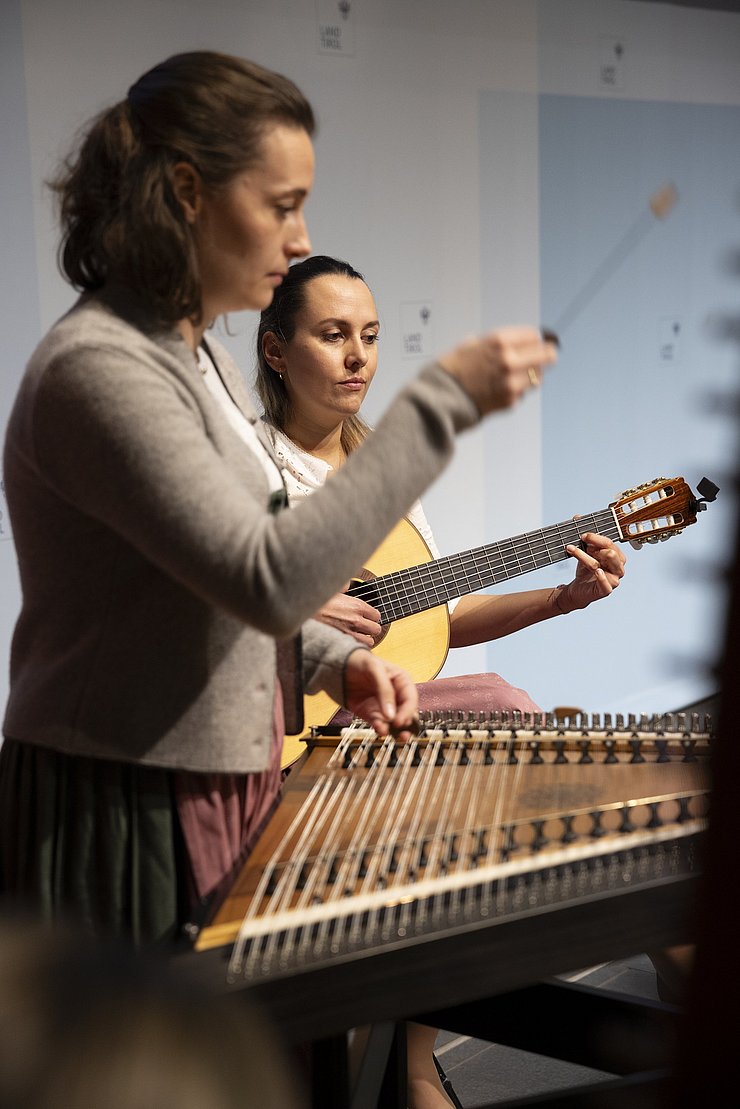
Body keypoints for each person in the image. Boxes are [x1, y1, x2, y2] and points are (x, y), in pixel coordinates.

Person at [0, 51, 557, 956]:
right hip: (125, 797)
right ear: (188, 192)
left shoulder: (195, 357)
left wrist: (332, 660)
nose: (300, 239)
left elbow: (206, 584)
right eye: (282, 203)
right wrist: (440, 404)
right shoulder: (99, 368)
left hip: (209, 771)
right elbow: (268, 577)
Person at [255, 254, 627, 1109]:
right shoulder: (250, 464)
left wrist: (562, 599)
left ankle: (413, 1044)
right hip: (289, 721)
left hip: (382, 705)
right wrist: (305, 617)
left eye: (371, 337)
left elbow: (434, 618)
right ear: (277, 351)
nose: (358, 357)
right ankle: (389, 1054)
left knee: (516, 716)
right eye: (333, 335)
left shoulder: (381, 462)